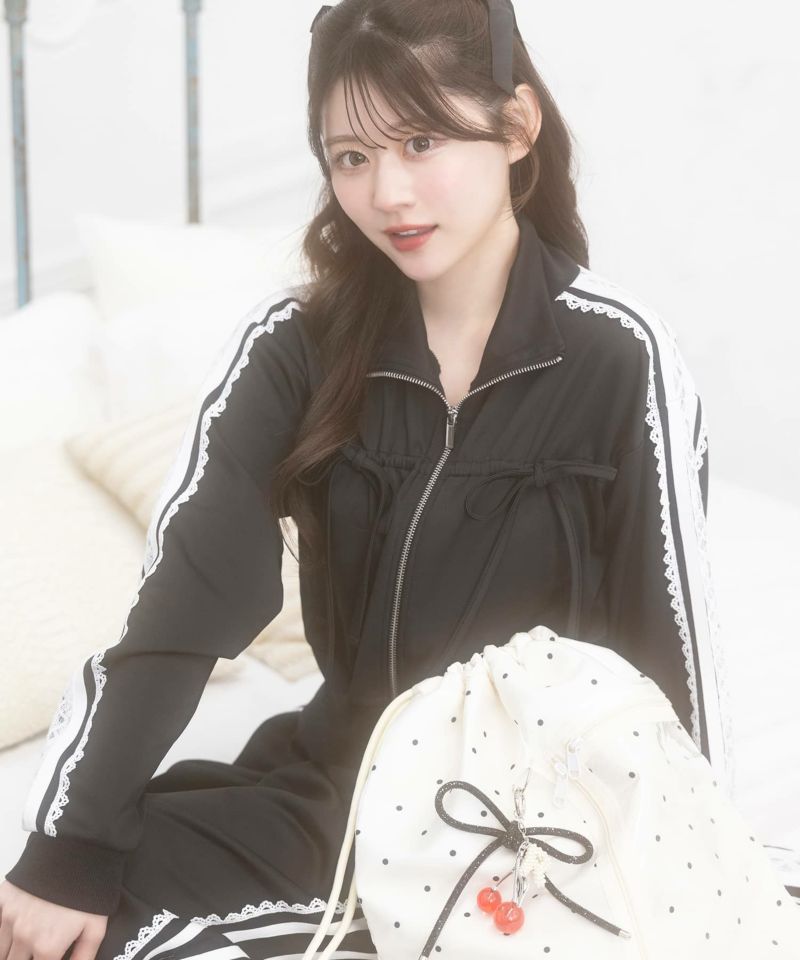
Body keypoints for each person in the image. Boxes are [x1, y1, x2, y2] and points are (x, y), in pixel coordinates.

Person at [0, 1, 736, 958]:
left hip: (539, 830)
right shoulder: (296, 349)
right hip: (338, 792)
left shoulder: (622, 359)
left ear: (516, 126)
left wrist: (677, 876)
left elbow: (670, 677)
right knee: (61, 922)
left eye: (421, 141)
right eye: (350, 156)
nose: (388, 192)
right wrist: (70, 849)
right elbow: (186, 603)